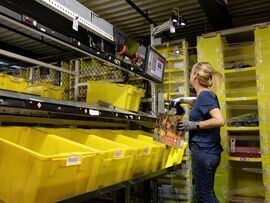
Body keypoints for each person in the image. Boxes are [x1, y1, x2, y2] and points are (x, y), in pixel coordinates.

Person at [177, 62, 225, 203]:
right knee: (200, 194)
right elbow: (197, 102)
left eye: (191, 73)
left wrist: (193, 125)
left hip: (204, 153)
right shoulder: (207, 95)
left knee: (206, 196)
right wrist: (180, 100)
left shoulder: (205, 96)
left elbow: (219, 120)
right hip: (209, 152)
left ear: (195, 75)